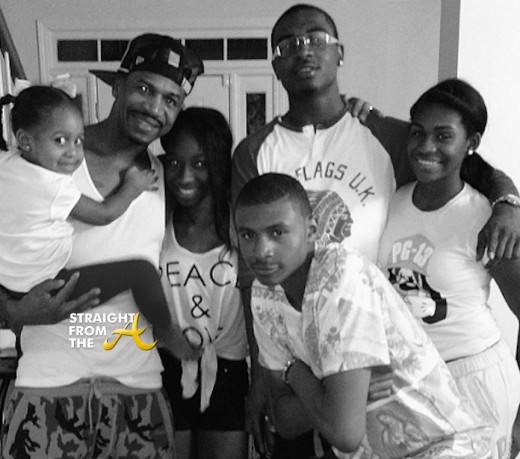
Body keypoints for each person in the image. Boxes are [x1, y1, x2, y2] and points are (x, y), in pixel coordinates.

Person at [231, 4, 520, 457]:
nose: (303, 50)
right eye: (287, 45)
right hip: (301, 348)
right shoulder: (255, 151)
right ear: (275, 64)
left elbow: (461, 164)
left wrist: (508, 201)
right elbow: (253, 278)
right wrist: (262, 380)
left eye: (316, 39)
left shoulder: (384, 135)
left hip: (384, 359)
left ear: (340, 53)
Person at [0, 33, 204, 458]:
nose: (155, 108)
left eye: (170, 100)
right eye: (144, 88)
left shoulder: (167, 180)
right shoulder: (41, 161)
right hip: (48, 386)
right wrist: (12, 312)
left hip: (137, 390)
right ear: (118, 85)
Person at [234, 172, 493, 458]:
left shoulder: (339, 275)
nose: (262, 251)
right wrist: (331, 394)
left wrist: (293, 372)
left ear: (312, 230)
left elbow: (344, 432)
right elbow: (284, 421)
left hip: (443, 447)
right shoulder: (264, 295)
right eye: (248, 235)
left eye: (277, 233)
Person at [377, 78, 520, 459]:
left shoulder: (485, 219)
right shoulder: (394, 200)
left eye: (443, 136)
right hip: (410, 384)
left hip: (473, 380)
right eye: (417, 133)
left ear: (471, 143)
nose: (426, 147)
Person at [0, 85, 188, 355]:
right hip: (49, 287)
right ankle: (167, 332)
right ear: (25, 140)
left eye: (79, 140)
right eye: (60, 140)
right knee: (141, 272)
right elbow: (104, 214)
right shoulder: (54, 186)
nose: (73, 152)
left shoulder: (6, 164)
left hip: (11, 284)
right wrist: (132, 186)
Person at [158, 107, 249, 459]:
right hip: (164, 364)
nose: (185, 176)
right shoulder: (156, 221)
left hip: (227, 369)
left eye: (199, 163)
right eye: (174, 162)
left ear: (218, 164)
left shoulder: (240, 224)